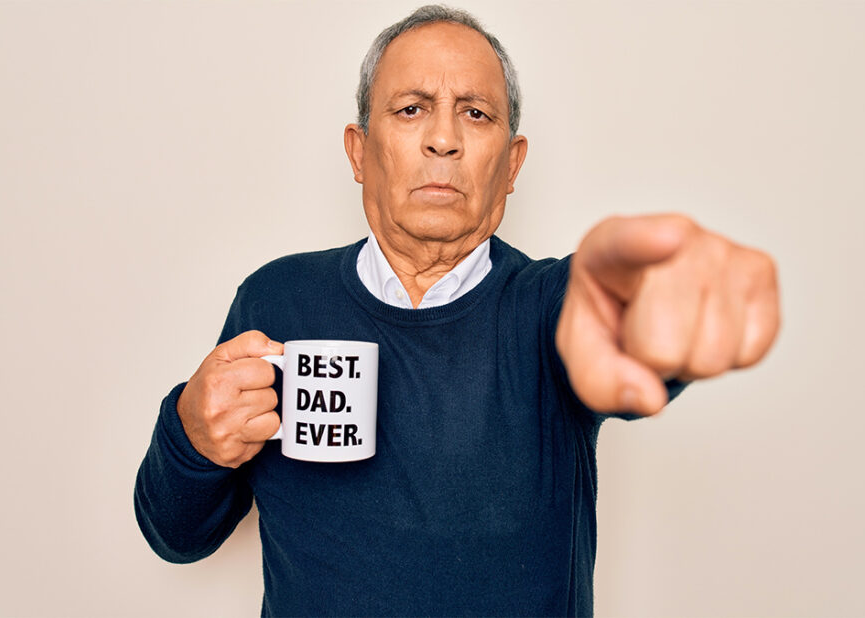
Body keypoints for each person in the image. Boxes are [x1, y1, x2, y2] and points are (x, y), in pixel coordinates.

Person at [134, 5, 780, 616]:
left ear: (512, 164)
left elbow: (617, 323)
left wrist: (655, 303)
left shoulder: (549, 310)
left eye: (475, 114)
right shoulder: (275, 301)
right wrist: (190, 435)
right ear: (359, 152)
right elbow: (176, 534)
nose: (443, 138)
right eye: (412, 108)